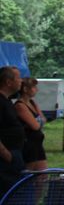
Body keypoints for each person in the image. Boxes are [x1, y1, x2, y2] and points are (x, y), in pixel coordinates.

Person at [0, 66, 25, 197]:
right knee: (7, 196)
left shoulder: (7, 101)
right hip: (5, 159)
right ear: (8, 82)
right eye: (18, 78)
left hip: (14, 154)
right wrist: (6, 155)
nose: (21, 81)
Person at [14, 77, 45, 172]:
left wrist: (38, 122)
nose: (36, 89)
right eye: (34, 87)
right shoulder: (20, 105)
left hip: (38, 144)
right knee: (29, 173)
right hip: (29, 143)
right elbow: (35, 126)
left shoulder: (32, 103)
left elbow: (43, 119)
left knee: (42, 174)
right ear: (25, 89)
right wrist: (38, 122)